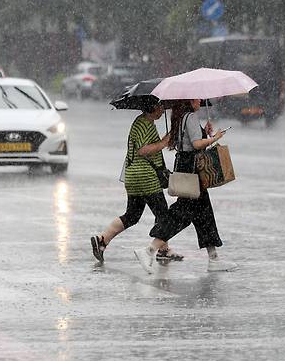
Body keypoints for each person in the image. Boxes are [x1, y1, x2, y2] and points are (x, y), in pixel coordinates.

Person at [134, 99, 237, 273]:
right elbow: (196, 145)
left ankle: (214, 258)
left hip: (185, 165)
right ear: (189, 100)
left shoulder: (180, 116)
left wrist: (203, 132)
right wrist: (215, 137)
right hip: (192, 169)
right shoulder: (189, 116)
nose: (200, 101)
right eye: (197, 98)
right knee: (182, 212)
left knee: (204, 213)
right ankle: (149, 250)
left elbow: (187, 140)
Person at [90, 96, 182, 263]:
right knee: (163, 214)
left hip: (135, 176)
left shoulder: (144, 122)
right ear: (152, 107)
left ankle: (102, 240)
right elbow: (142, 150)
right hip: (144, 176)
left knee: (132, 215)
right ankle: (162, 249)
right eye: (160, 107)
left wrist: (165, 141)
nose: (162, 110)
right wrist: (163, 142)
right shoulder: (143, 124)